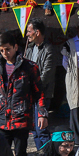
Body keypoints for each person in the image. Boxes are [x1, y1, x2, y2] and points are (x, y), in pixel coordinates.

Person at [0, 31, 47, 156]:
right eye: (1, 50)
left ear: (15, 47)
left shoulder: (29, 67)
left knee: (20, 154)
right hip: (1, 120)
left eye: (7, 49)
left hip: (21, 118)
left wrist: (42, 114)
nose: (5, 53)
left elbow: (39, 93)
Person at [24, 18, 56, 148]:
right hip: (30, 94)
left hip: (42, 94)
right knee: (34, 131)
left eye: (29, 31)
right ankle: (40, 155)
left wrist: (33, 88)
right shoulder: (29, 49)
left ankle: (47, 155)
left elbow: (47, 74)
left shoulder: (49, 49)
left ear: (37, 32)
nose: (27, 34)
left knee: (41, 129)